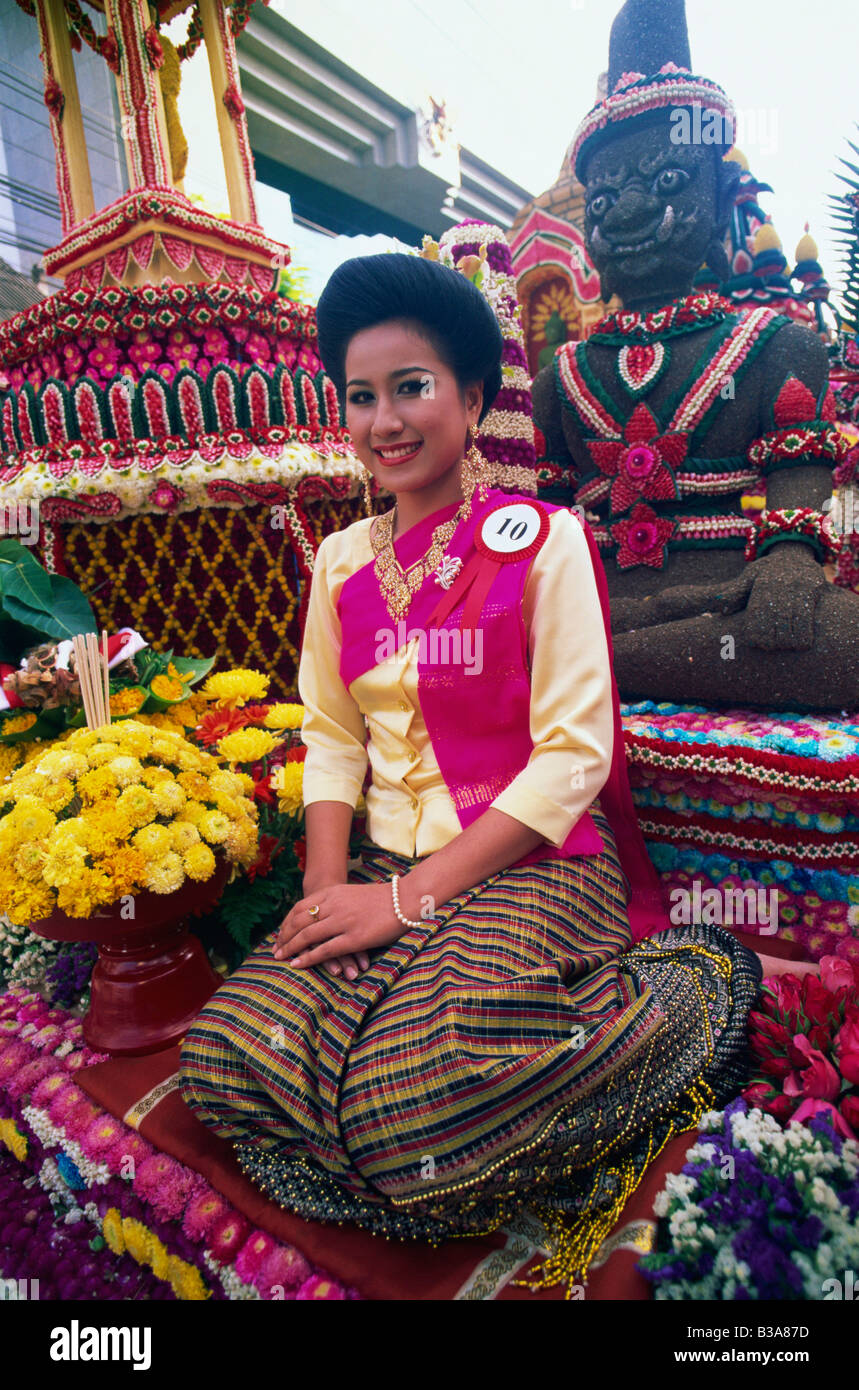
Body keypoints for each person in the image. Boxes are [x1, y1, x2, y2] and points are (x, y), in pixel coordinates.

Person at [178, 252, 797, 1296]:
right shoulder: (337, 563)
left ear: (470, 399)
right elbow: (330, 735)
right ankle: (390, 1103)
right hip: (381, 865)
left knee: (423, 1102)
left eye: (412, 387)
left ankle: (686, 996)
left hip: (535, 862)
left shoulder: (542, 543)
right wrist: (331, 890)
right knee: (228, 1053)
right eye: (362, 396)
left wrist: (405, 906)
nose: (386, 420)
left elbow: (571, 758)